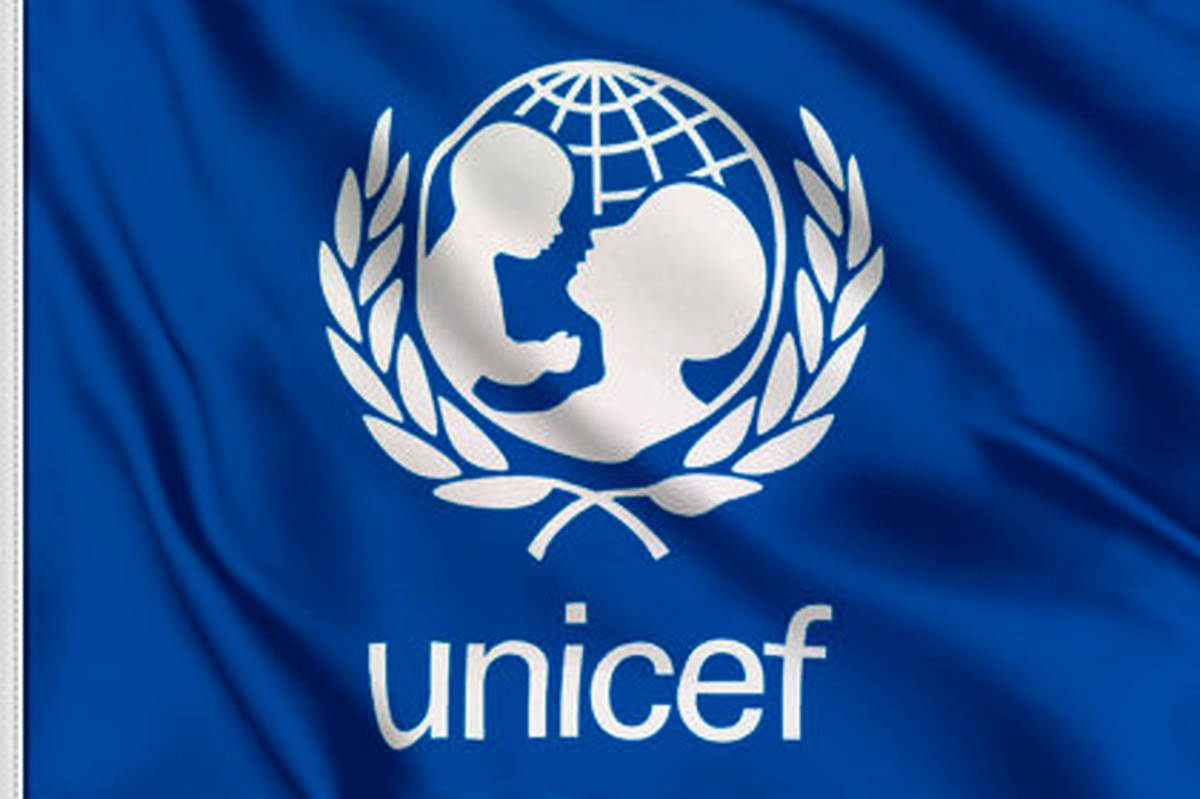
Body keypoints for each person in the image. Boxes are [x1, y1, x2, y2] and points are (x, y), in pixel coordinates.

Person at [494, 182, 767, 463]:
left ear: (668, 293)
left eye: (630, 231)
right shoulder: (562, 396)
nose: (597, 233)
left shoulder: (674, 428)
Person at [418, 122, 581, 402]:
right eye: (550, 213)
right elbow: (482, 362)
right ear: (504, 206)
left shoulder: (475, 262)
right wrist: (551, 357)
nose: (558, 229)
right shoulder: (457, 271)